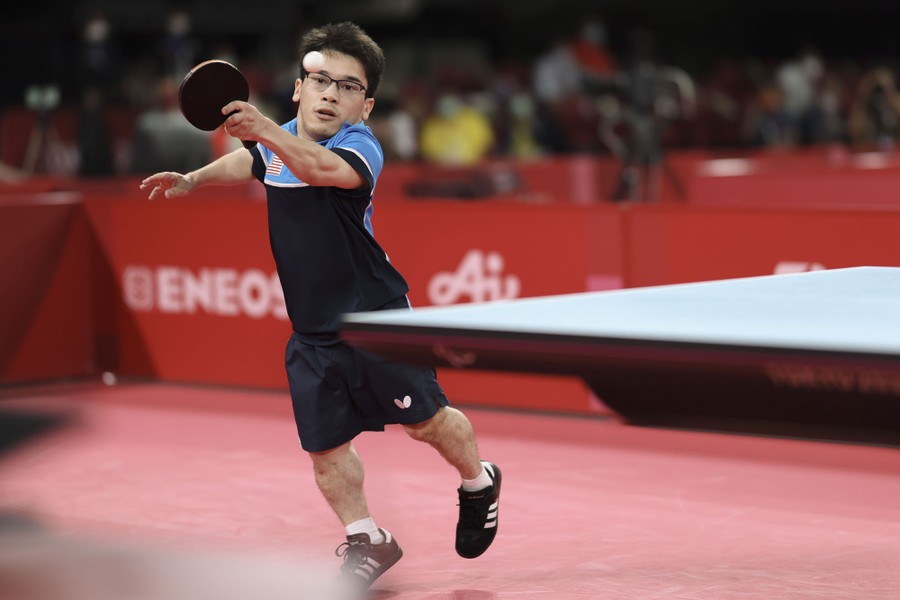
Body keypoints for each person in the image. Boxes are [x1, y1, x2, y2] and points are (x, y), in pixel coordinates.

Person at [139, 21, 501, 590]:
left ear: (366, 104)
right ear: (298, 90)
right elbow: (253, 163)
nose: (331, 93)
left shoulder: (359, 147)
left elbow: (314, 169)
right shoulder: (275, 141)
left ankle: (479, 481)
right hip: (311, 329)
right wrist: (195, 179)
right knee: (325, 449)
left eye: (348, 86)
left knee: (426, 423)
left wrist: (261, 130)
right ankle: (368, 539)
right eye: (319, 79)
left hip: (375, 320)